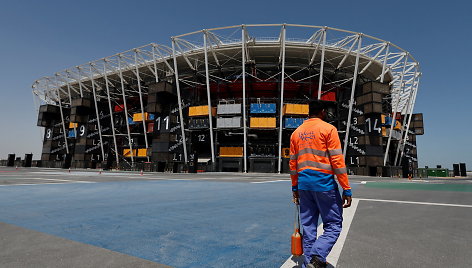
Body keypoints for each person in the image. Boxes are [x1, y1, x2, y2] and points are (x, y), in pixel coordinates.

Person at [289, 100, 352, 268]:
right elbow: (337, 161)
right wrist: (346, 188)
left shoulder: (296, 133)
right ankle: (317, 257)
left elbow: (293, 165)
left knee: (309, 229)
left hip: (303, 185)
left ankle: (308, 264)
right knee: (333, 225)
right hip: (324, 185)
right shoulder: (328, 129)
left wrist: (295, 188)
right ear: (322, 112)